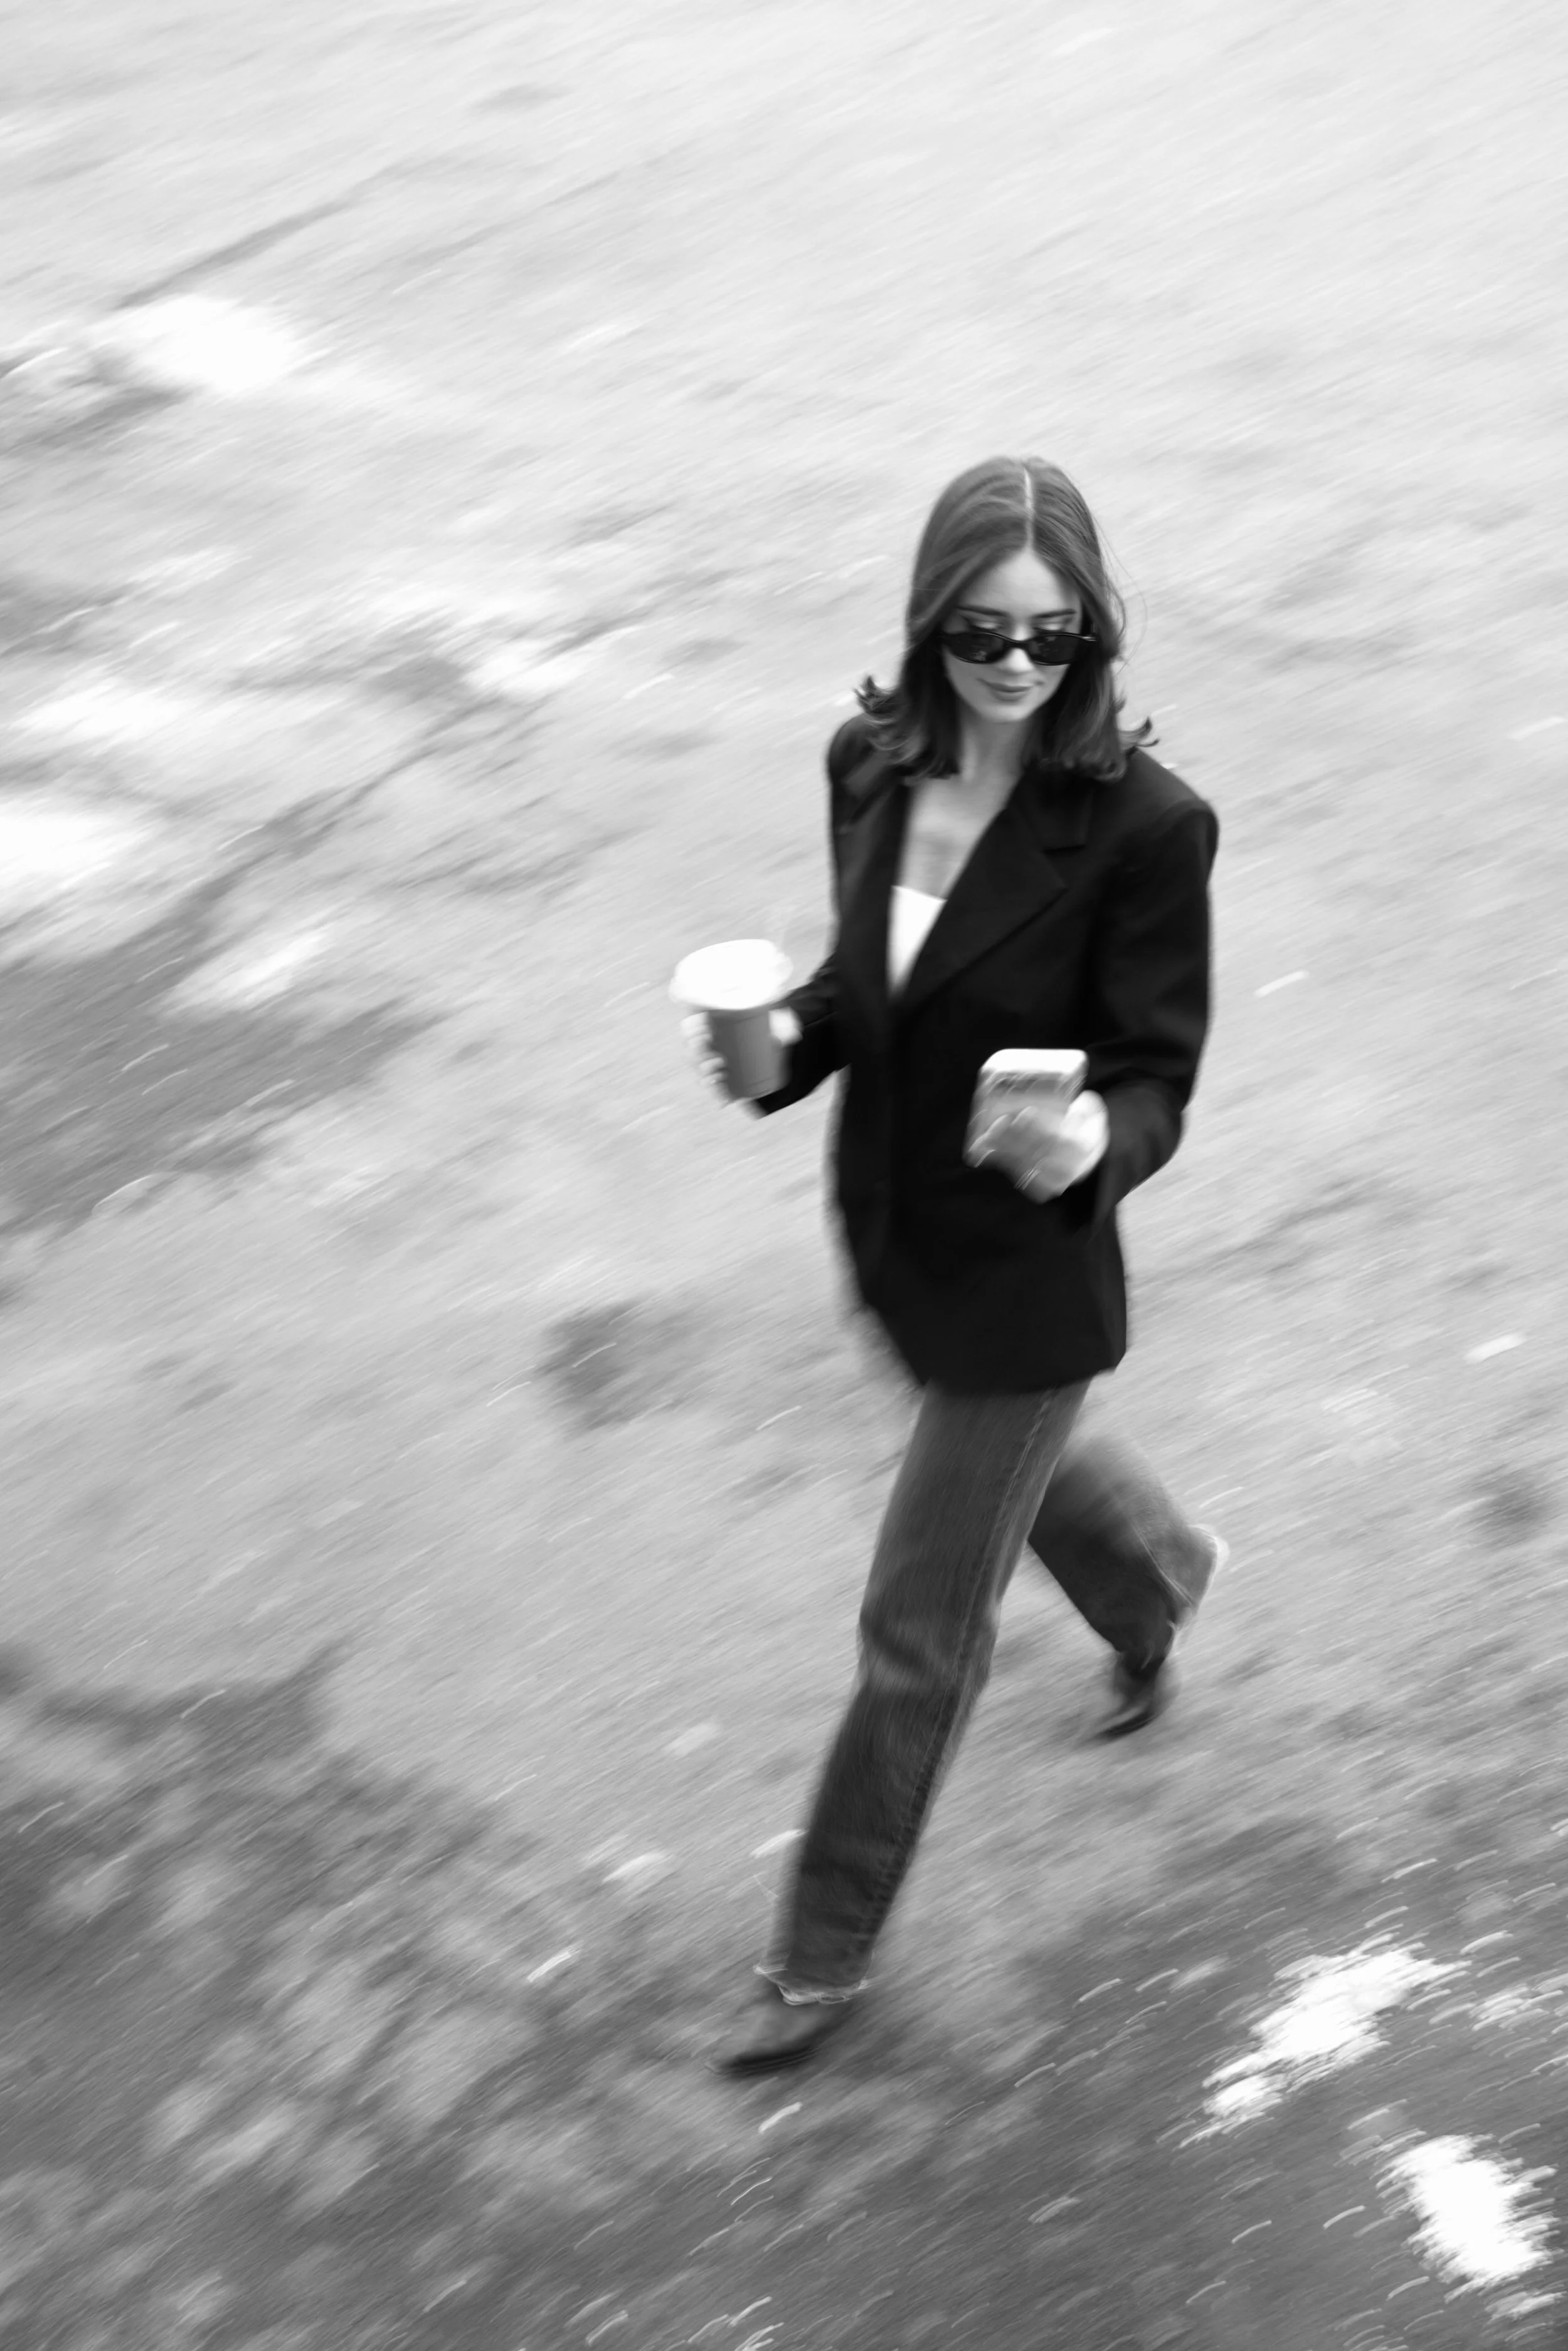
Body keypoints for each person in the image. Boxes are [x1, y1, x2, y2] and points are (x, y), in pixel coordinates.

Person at [685, 455, 1224, 2074]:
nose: (1012, 663)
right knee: (1005, 1473)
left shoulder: (1141, 827)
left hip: (1026, 1278)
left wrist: (1092, 1147)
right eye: (981, 629)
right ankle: (1153, 1578)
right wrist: (772, 1045)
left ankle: (819, 1948)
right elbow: (865, 986)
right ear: (929, 623)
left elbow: (1154, 1074)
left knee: (919, 1624)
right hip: (894, 1237)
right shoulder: (872, 761)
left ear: (1090, 640)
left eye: (1049, 638)